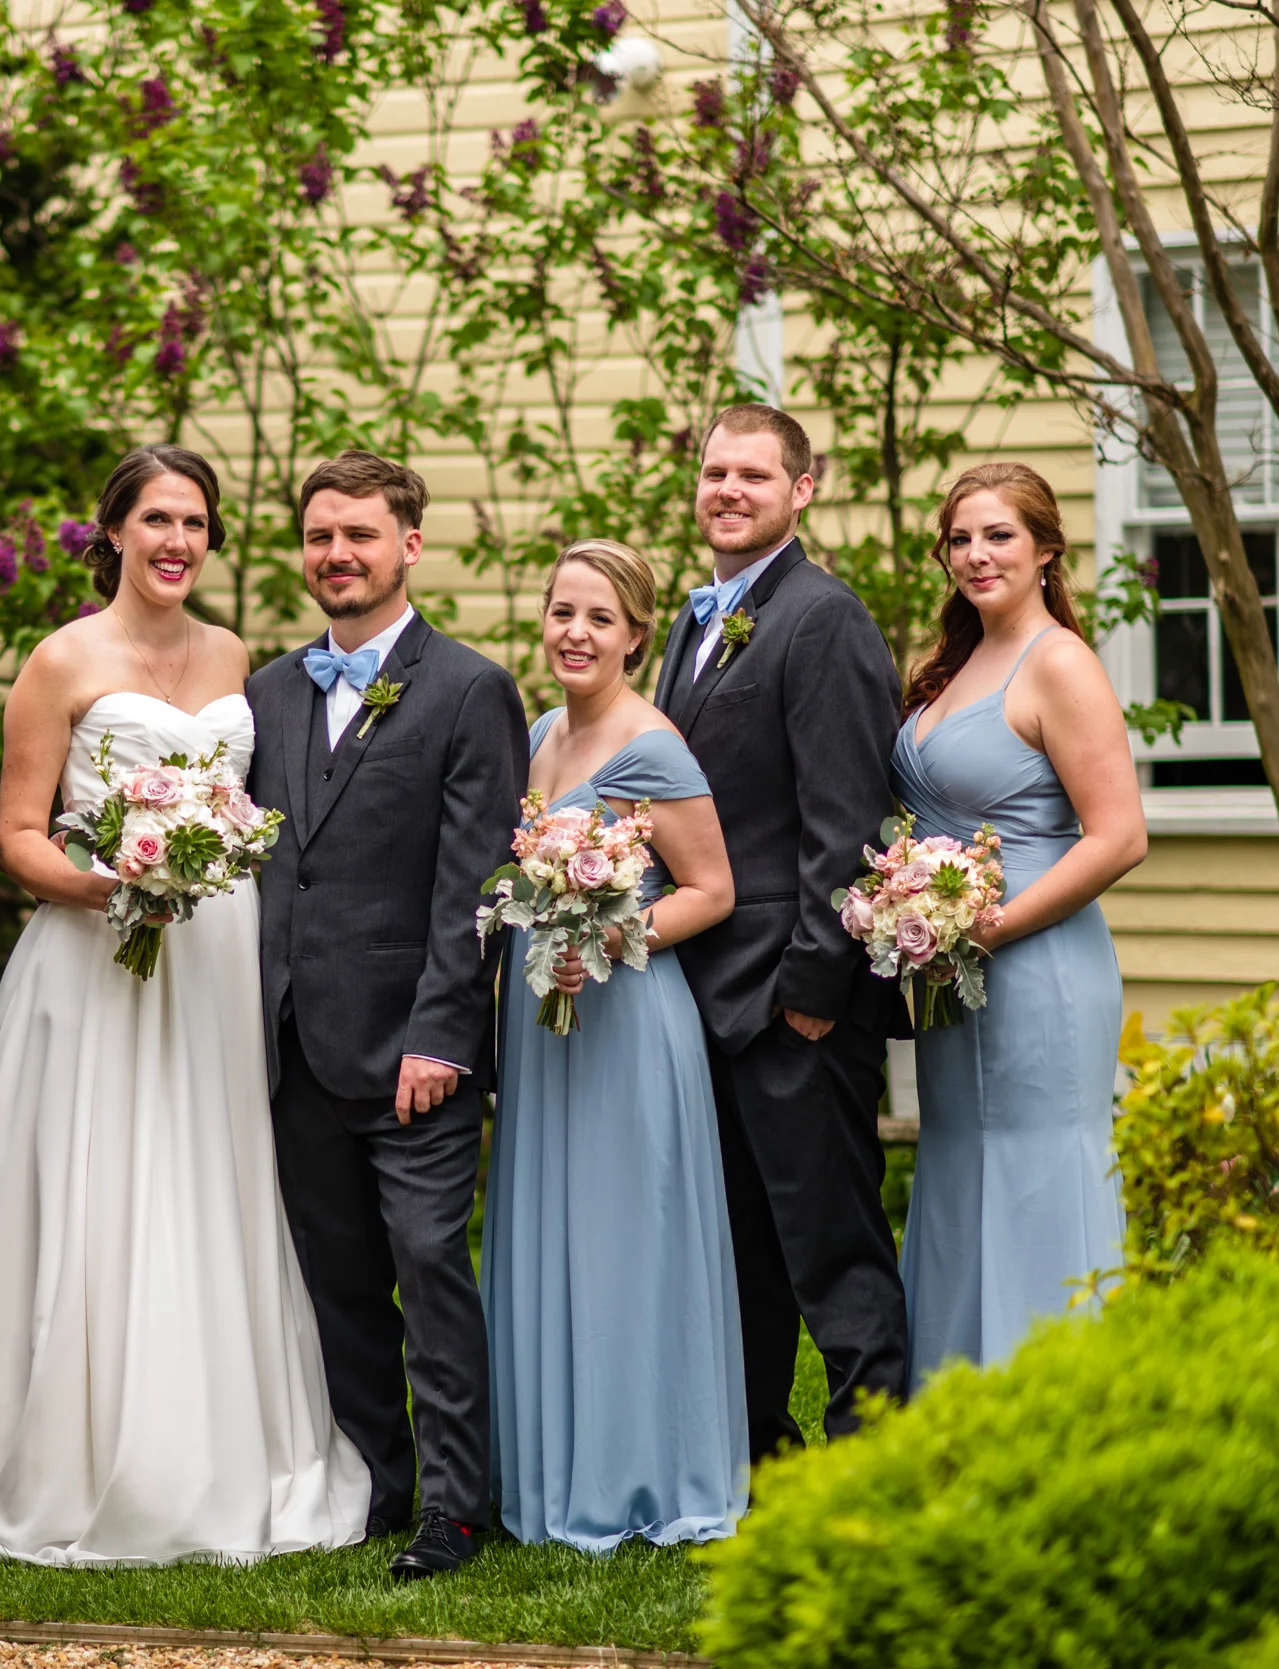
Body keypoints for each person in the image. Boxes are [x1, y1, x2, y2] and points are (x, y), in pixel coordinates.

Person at [0, 445, 370, 1566]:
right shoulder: (60, 660)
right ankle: (69, 1449)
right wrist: (113, 886)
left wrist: (201, 868)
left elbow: (246, 814)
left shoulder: (234, 653)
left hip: (214, 961)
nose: (177, 542)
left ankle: (223, 1442)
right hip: (94, 955)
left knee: (209, 1174)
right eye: (156, 519)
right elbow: (18, 837)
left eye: (195, 522)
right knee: (99, 1180)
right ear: (112, 532)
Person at [247, 450, 529, 1579]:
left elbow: (475, 883)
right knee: (339, 1277)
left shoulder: (468, 689)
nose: (337, 554)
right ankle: (378, 1481)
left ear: (409, 543)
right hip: (292, 1044)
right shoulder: (269, 691)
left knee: (429, 1264)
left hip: (414, 1047)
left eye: (359, 534)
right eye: (320, 535)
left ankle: (457, 1504)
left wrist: (441, 1034)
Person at [650, 405, 911, 1459]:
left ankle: (873, 1459)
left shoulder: (823, 617)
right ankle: (758, 1454)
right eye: (715, 471)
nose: (727, 489)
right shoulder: (694, 623)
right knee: (742, 1253)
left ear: (802, 489)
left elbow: (848, 822)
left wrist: (811, 989)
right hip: (706, 1000)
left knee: (833, 1249)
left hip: (793, 1004)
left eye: (753, 474)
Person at [482, 539, 750, 1551]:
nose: (576, 633)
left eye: (600, 618)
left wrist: (603, 935)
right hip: (546, 1021)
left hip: (627, 1016)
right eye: (563, 612)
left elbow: (711, 891)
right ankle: (553, 1467)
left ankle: (637, 1473)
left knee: (624, 1241)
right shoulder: (541, 733)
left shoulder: (652, 747)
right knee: (554, 1230)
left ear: (636, 635)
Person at [893, 463, 1144, 1382]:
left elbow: (1119, 836)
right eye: (960, 538)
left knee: (1040, 1172)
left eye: (998, 535)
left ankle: (1057, 1397)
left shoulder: (1060, 662)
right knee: (960, 1166)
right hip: (952, 969)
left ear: (1046, 550)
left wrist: (985, 930)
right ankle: (957, 1400)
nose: (976, 554)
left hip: (1038, 966)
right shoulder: (955, 665)